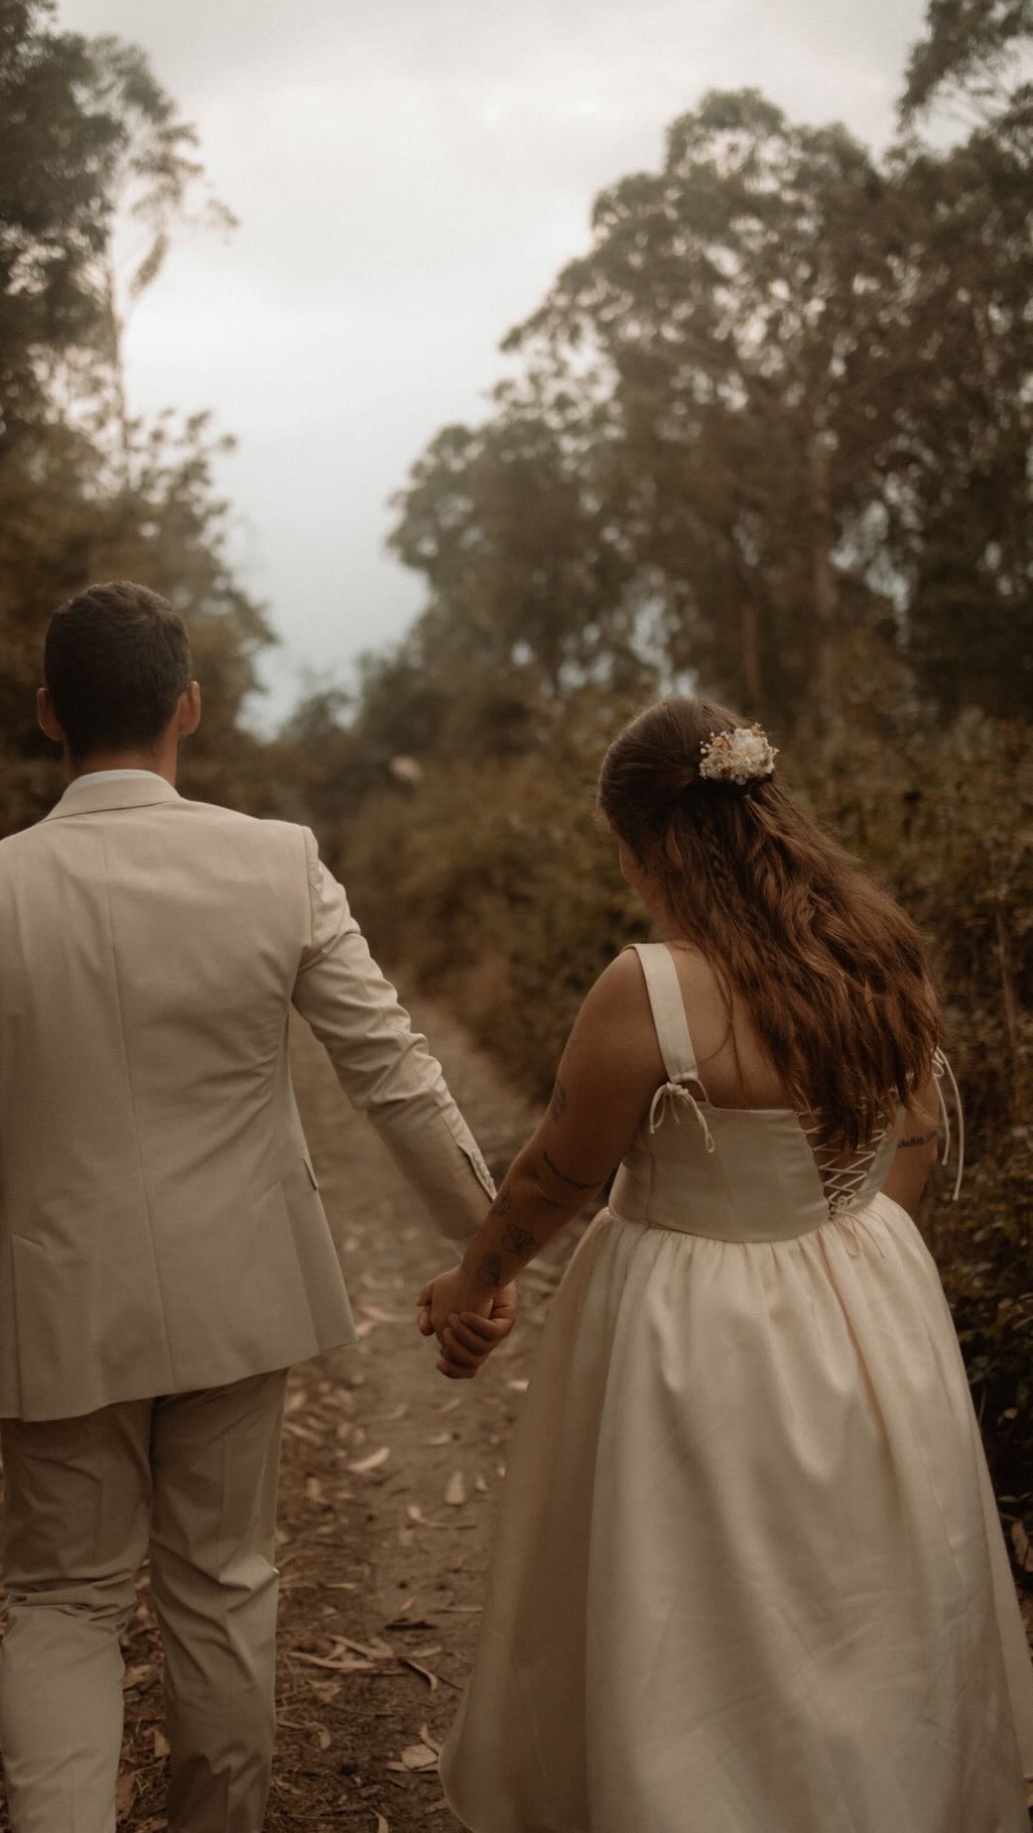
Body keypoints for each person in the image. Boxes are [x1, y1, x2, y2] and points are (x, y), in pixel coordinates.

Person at [0, 580, 513, 1833]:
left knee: (62, 1604)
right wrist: (486, 1249)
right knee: (225, 1586)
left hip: (63, 1309)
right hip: (241, 1295)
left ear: (48, 714)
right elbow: (390, 1072)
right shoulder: (275, 864)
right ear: (190, 706)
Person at [419, 695, 1033, 1833]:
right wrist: (842, 1248)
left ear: (638, 842)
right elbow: (914, 1137)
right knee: (860, 1588)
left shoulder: (647, 988)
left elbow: (558, 1177)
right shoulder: (875, 947)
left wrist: (473, 1282)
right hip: (868, 1302)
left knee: (691, 1605)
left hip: (684, 1333)